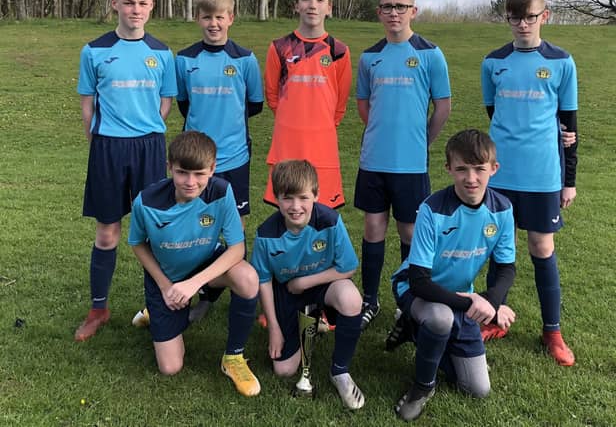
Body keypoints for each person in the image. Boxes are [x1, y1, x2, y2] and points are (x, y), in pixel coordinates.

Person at [480, 0, 578, 367]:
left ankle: (552, 331)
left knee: (541, 248)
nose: (523, 24)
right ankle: (492, 317)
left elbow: (570, 127)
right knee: (496, 245)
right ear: (507, 18)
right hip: (500, 174)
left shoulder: (561, 62)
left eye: (531, 17)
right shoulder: (493, 62)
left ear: (545, 16)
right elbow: (495, 116)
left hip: (542, 176)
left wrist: (568, 180)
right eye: (516, 17)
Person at [75, 0, 177, 342]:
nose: (136, 10)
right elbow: (88, 104)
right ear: (115, 4)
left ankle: (159, 306)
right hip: (108, 148)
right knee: (108, 232)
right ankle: (98, 309)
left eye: (143, 3)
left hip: (149, 147)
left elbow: (165, 102)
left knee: (155, 232)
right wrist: (103, 136)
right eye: (129, 2)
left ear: (152, 6)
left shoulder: (163, 54)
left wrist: (146, 128)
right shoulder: (94, 51)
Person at [388, 129, 516, 421]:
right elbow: (419, 280)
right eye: (461, 169)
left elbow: (507, 267)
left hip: (459, 295)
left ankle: (416, 332)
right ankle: (422, 386)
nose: (471, 178)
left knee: (477, 388)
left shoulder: (503, 210)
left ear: (493, 169)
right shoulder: (432, 210)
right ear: (448, 169)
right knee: (440, 318)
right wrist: (472, 303)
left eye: (479, 169)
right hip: (416, 288)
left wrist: (492, 303)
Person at [128, 131, 261, 397]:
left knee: (247, 277)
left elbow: (237, 248)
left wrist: (194, 283)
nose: (191, 182)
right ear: (170, 168)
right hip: (166, 277)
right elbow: (137, 243)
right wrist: (167, 287)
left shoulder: (222, 192)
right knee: (170, 367)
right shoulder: (147, 201)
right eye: (182, 173)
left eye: (200, 173)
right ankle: (155, 312)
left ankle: (233, 358)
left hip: (203, 270)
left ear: (212, 169)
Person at [354, 0, 451, 330]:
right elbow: (364, 106)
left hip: (411, 164)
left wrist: (421, 140)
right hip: (373, 161)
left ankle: (408, 299)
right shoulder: (370, 57)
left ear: (414, 10)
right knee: (373, 227)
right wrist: (384, 133)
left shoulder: (430, 54)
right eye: (387, 7)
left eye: (400, 6)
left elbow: (443, 106)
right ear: (379, 11)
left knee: (410, 233)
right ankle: (369, 300)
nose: (393, 13)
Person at [172, 0, 264, 323]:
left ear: (231, 18)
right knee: (198, 230)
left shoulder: (244, 59)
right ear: (198, 18)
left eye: (220, 16)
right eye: (207, 16)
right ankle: (199, 290)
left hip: (234, 160)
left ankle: (233, 294)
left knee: (234, 233)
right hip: (196, 165)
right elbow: (184, 103)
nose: (213, 23)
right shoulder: (184, 59)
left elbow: (254, 104)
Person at [251, 160, 365, 410]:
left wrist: (305, 281)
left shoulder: (330, 220)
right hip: (286, 291)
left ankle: (340, 371)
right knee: (283, 370)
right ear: (276, 198)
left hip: (320, 284)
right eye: (287, 198)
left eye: (303, 197)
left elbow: (348, 267)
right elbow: (263, 280)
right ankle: (310, 325)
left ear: (316, 194)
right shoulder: (266, 234)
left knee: (351, 298)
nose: (295, 206)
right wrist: (274, 328)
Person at [262, 0, 352, 210]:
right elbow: (272, 95)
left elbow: (340, 102)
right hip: (288, 140)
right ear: (296, 5)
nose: (313, 5)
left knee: (321, 215)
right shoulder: (279, 47)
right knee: (288, 210)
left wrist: (320, 124)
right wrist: (292, 118)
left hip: (322, 143)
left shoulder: (339, 51)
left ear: (329, 8)